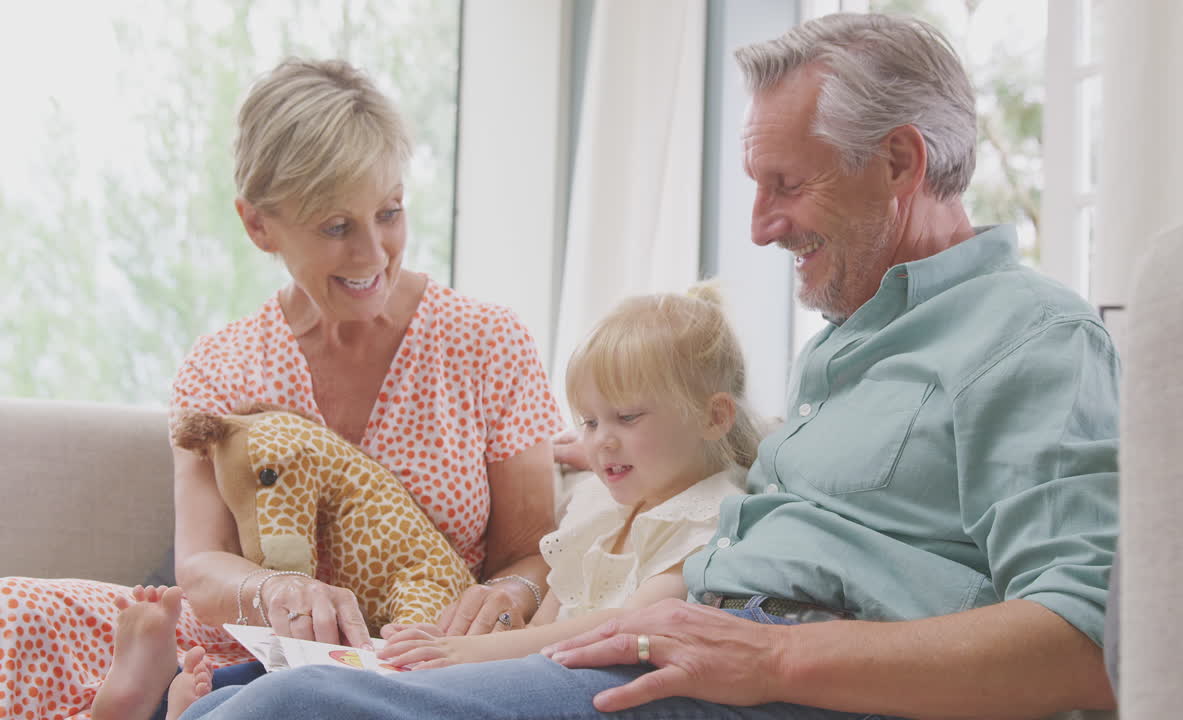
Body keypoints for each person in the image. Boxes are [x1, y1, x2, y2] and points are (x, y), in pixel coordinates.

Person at [173, 12, 1120, 719]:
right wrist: (529, 643)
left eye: (786, 184)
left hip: (777, 672)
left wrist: (777, 662)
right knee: (226, 699)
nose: (758, 226)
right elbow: (710, 575)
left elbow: (1089, 643)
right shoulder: (844, 351)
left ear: (901, 163)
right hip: (681, 640)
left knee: (280, 714)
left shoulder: (1032, 337)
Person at [0, 58, 562, 720]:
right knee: (13, 614)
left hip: (416, 661)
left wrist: (511, 595)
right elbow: (204, 565)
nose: (375, 253)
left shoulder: (486, 343)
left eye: (389, 212)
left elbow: (533, 551)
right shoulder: (224, 364)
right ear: (257, 224)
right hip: (239, 649)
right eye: (336, 226)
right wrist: (277, 592)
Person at [373, 284, 762, 670]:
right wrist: (472, 642)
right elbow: (545, 625)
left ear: (713, 417)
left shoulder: (711, 519)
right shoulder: (596, 506)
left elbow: (627, 626)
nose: (601, 442)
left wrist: (470, 654)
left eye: (627, 417)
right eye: (590, 422)